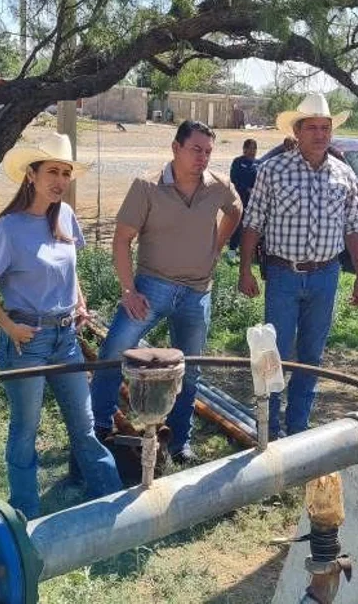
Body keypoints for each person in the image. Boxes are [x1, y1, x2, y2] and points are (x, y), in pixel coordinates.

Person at [0, 135, 122, 516]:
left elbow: (69, 272)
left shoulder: (65, 216)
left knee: (84, 424)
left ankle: (112, 501)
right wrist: (9, 327)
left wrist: (80, 302)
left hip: (66, 337)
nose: (60, 180)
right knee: (26, 430)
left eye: (66, 173)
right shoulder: (8, 228)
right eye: (52, 171)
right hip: (28, 339)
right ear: (31, 176)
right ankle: (26, 514)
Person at [90, 121, 242, 463]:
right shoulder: (147, 187)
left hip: (197, 292)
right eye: (195, 150)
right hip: (151, 287)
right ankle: (98, 428)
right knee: (115, 351)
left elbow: (235, 210)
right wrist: (128, 291)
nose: (202, 158)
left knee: (190, 368)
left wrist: (217, 245)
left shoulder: (218, 186)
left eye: (208, 152)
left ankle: (178, 442)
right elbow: (121, 240)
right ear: (176, 148)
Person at [239, 93, 358, 439]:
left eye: (325, 127)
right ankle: (268, 427)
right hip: (283, 274)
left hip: (326, 275)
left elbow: (353, 226)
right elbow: (253, 222)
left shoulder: (343, 174)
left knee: (312, 354)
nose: (320, 134)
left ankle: (298, 428)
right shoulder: (273, 170)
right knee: (274, 353)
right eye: (311, 127)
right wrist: (245, 269)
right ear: (297, 131)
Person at [228, 138, 259, 251]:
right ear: (244, 149)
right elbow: (233, 178)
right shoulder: (238, 162)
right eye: (249, 148)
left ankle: (248, 250)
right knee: (237, 225)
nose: (252, 151)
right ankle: (232, 250)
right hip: (239, 198)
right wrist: (246, 188)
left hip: (253, 201)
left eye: (254, 148)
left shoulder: (258, 164)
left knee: (251, 227)